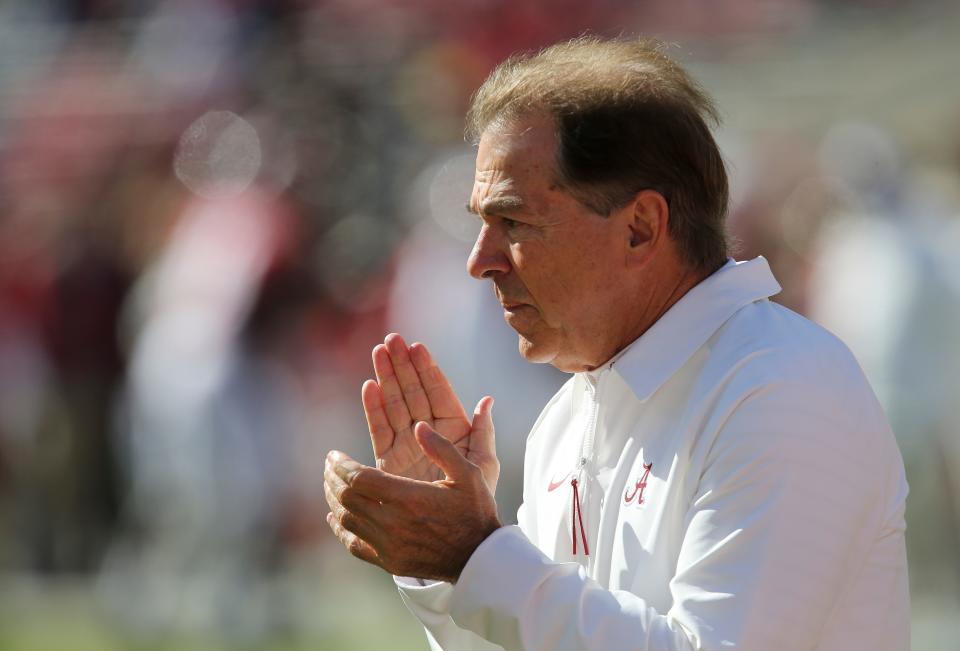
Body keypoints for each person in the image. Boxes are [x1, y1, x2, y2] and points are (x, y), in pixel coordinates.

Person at [323, 37, 910, 650]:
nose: (480, 261)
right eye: (482, 222)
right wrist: (444, 564)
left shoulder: (783, 389)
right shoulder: (572, 414)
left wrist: (477, 556)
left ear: (640, 228)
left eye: (515, 222)